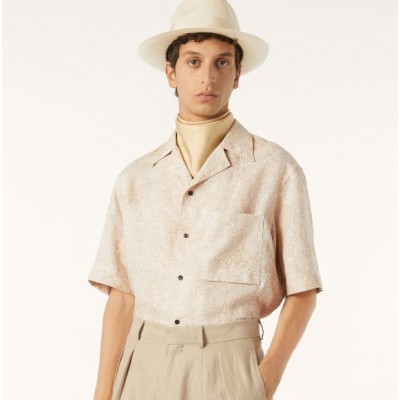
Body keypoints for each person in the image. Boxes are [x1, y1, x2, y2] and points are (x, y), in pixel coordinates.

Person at [88, 0, 323, 399]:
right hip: (142, 364)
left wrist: (263, 382)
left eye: (222, 63)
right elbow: (122, 296)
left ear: (237, 75)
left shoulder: (274, 170)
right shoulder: (136, 179)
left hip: (228, 368)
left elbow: (303, 289)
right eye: (194, 62)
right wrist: (102, 392)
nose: (208, 77)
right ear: (171, 72)